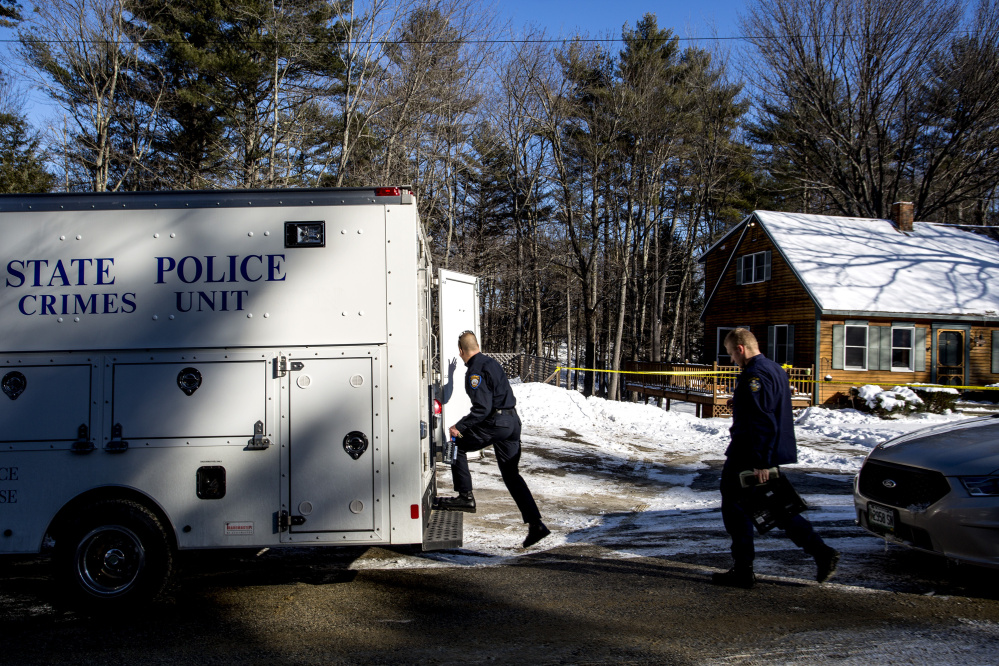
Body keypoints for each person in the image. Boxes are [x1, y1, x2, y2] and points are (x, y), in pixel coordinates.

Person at [713, 328, 839, 589]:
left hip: (749, 453)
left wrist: (761, 461)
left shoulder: (755, 374)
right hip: (760, 452)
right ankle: (820, 551)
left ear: (740, 348)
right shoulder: (775, 369)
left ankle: (744, 570)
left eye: (729, 353)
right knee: (776, 509)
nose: (730, 359)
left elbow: (763, 419)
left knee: (737, 508)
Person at [435, 331, 551, 548]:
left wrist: (458, 427)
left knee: (456, 444)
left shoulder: (475, 371)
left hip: (496, 423)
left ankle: (465, 496)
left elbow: (482, 408)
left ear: (461, 351)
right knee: (511, 475)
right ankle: (536, 525)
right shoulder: (492, 363)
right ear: (477, 346)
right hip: (512, 423)